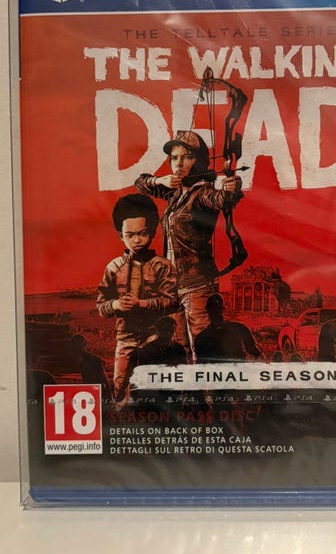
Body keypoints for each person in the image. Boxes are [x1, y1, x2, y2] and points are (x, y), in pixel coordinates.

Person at [135, 131, 243, 360]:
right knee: (178, 348)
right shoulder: (175, 193)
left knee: (202, 349)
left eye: (187, 157)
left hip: (197, 285)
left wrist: (231, 189)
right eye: (174, 158)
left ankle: (208, 384)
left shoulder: (202, 193)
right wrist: (159, 180)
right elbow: (141, 183)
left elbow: (220, 199)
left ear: (199, 161)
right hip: (172, 285)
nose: (179, 163)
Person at [97, 194, 177, 406]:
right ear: (120, 236)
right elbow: (101, 306)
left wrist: (141, 304)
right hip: (125, 339)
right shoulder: (114, 268)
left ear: (152, 232)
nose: (137, 240)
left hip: (155, 339)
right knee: (120, 390)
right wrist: (115, 304)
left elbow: (172, 301)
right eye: (130, 235)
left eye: (142, 234)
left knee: (155, 391)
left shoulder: (163, 266)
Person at [194, 293, 264, 363]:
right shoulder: (239, 328)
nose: (215, 312)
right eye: (213, 309)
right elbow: (257, 354)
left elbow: (257, 354)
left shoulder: (239, 329)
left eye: (217, 309)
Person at [67, 334, 112, 400]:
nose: (77, 347)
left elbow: (103, 379)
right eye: (75, 345)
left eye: (78, 344)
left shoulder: (94, 360)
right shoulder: (70, 360)